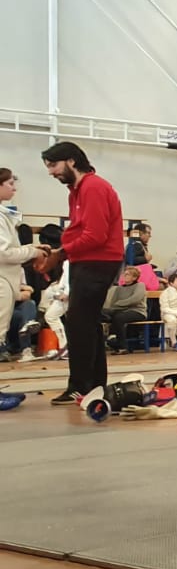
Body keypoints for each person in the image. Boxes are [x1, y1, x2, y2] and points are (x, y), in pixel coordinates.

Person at [41, 142, 124, 404]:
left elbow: (95, 235)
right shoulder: (77, 191)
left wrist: (61, 252)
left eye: (53, 165)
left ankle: (81, 386)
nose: (51, 172)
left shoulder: (93, 187)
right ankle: (94, 384)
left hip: (97, 261)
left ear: (71, 161)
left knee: (79, 324)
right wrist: (62, 251)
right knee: (87, 323)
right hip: (86, 260)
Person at [1, 168, 47, 359]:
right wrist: (33, 252)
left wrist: (31, 248)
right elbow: (3, 253)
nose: (14, 188)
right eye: (10, 184)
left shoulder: (3, 215)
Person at [102, 265, 149, 351]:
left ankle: (121, 345)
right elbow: (113, 302)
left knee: (118, 317)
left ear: (134, 277)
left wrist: (119, 304)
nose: (125, 276)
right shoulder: (119, 288)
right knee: (100, 313)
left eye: (128, 274)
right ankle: (107, 339)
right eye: (125, 274)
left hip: (137, 311)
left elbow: (135, 300)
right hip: (120, 310)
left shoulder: (140, 285)